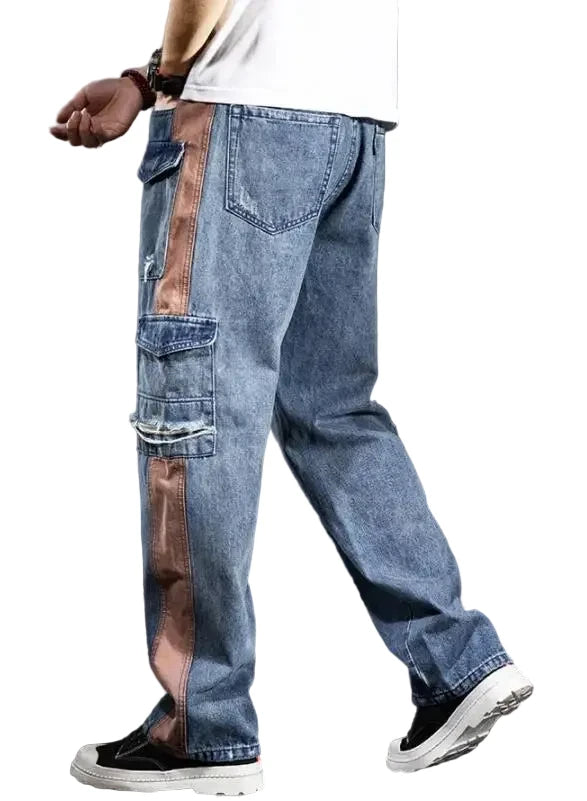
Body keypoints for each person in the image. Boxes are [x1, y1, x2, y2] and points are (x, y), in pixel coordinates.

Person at [51, 0, 532, 793]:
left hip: (242, 118)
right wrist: (144, 77)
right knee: (332, 410)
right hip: (353, 127)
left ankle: (204, 727)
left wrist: (169, 76)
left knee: (196, 410)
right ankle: (456, 659)